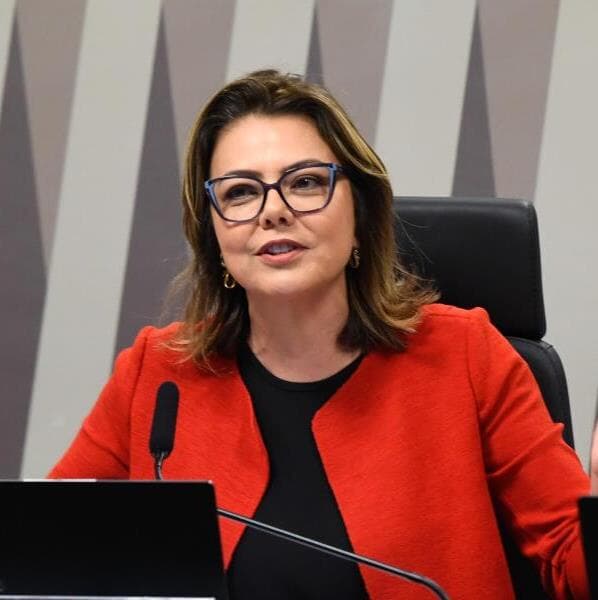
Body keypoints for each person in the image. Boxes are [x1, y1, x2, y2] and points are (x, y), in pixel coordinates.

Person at [50, 69, 596, 599]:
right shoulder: (157, 374)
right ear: (212, 235)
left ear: (359, 214)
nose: (274, 211)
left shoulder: (467, 357)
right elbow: (43, 560)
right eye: (240, 193)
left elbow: (572, 566)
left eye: (306, 182)